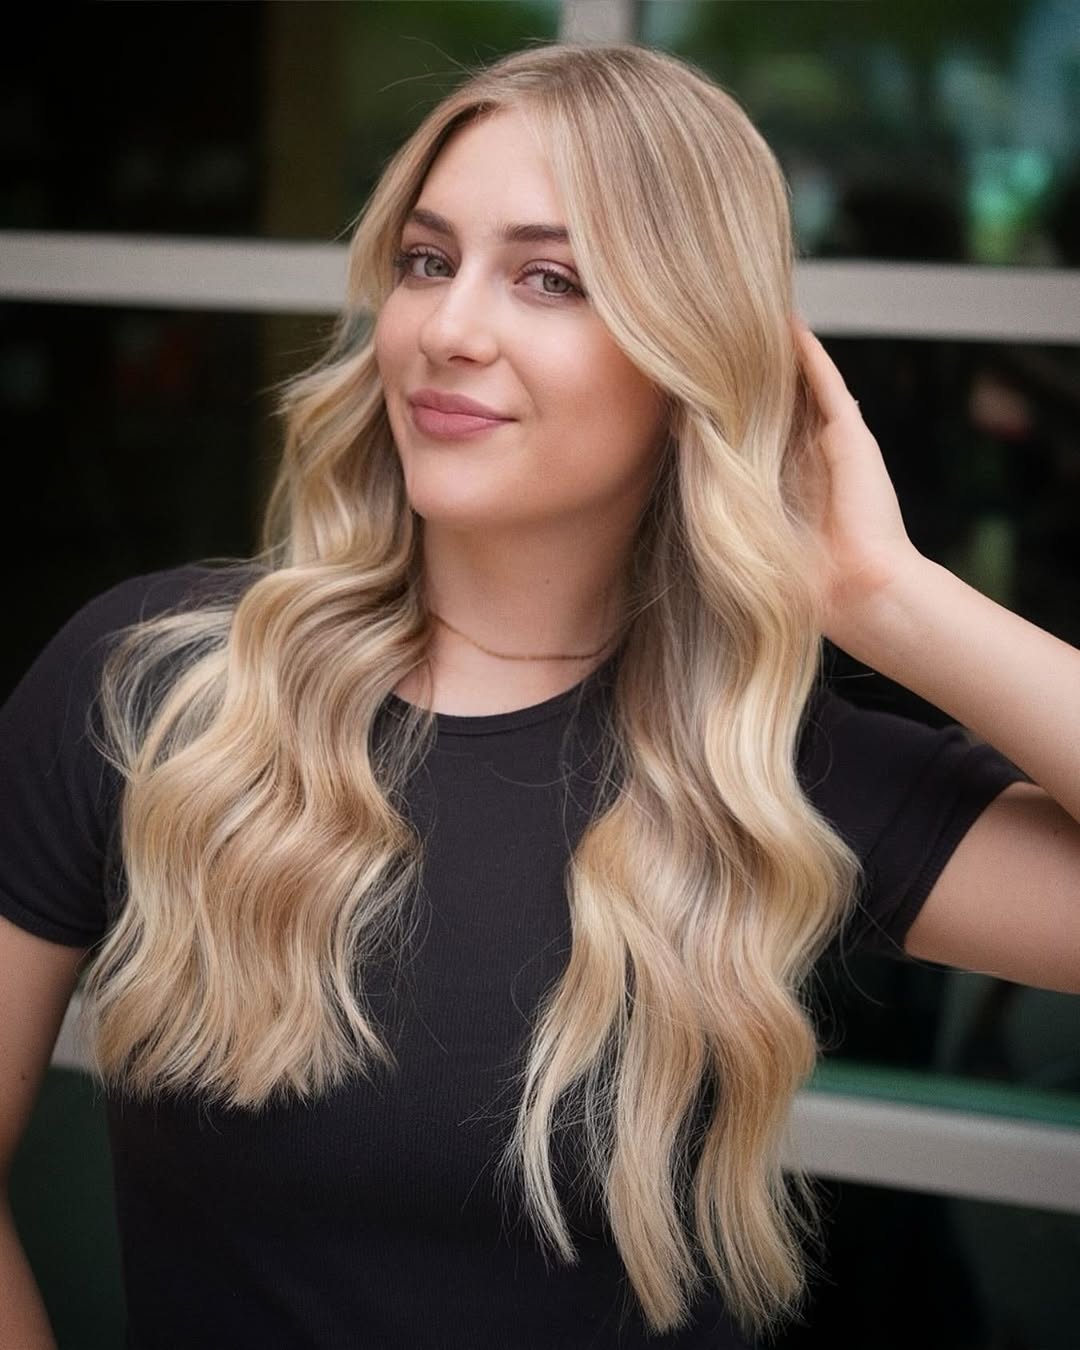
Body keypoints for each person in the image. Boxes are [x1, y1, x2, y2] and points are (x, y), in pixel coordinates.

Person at [2, 41, 1078, 1350]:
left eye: (549, 277)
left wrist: (890, 599)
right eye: (425, 259)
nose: (449, 329)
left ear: (689, 356)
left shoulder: (758, 765)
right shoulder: (156, 686)